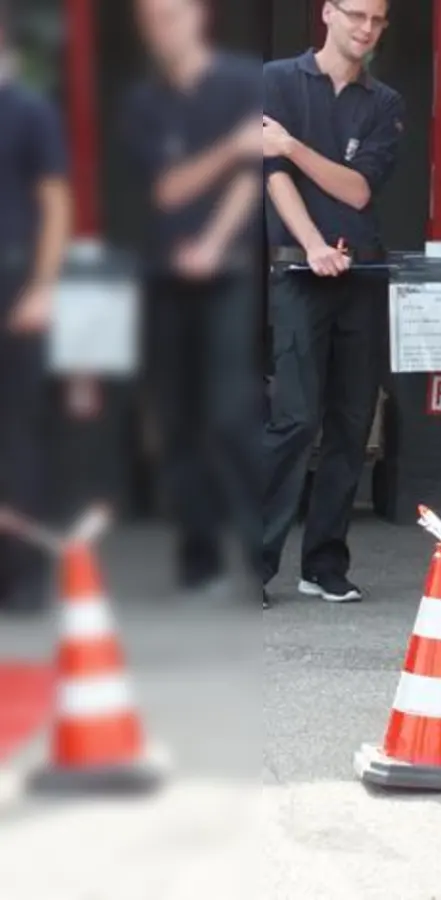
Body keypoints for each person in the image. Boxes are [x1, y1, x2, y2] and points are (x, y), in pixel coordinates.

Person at [261, 0, 404, 610]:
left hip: (363, 275)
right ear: (328, 13)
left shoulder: (386, 103)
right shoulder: (276, 80)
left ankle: (323, 564)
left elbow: (358, 187)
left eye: (377, 20)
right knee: (294, 419)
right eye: (356, 15)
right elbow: (270, 174)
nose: (366, 29)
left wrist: (292, 145)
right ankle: (254, 564)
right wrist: (314, 244)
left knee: (350, 424)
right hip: (298, 271)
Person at [124, 0, 262, 600]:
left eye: (173, 15)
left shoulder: (239, 82)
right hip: (163, 278)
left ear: (198, 17)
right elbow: (167, 186)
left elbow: (251, 177)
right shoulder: (146, 101)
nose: (164, 28)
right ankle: (198, 561)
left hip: (227, 273)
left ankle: (257, 558)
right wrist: (230, 147)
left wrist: (210, 243)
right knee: (177, 421)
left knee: (230, 414)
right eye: (153, 19)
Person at [0, 0, 70, 615]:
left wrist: (45, 286)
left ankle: (21, 578)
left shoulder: (27, 109)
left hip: (14, 283)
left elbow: (55, 203)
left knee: (18, 435)